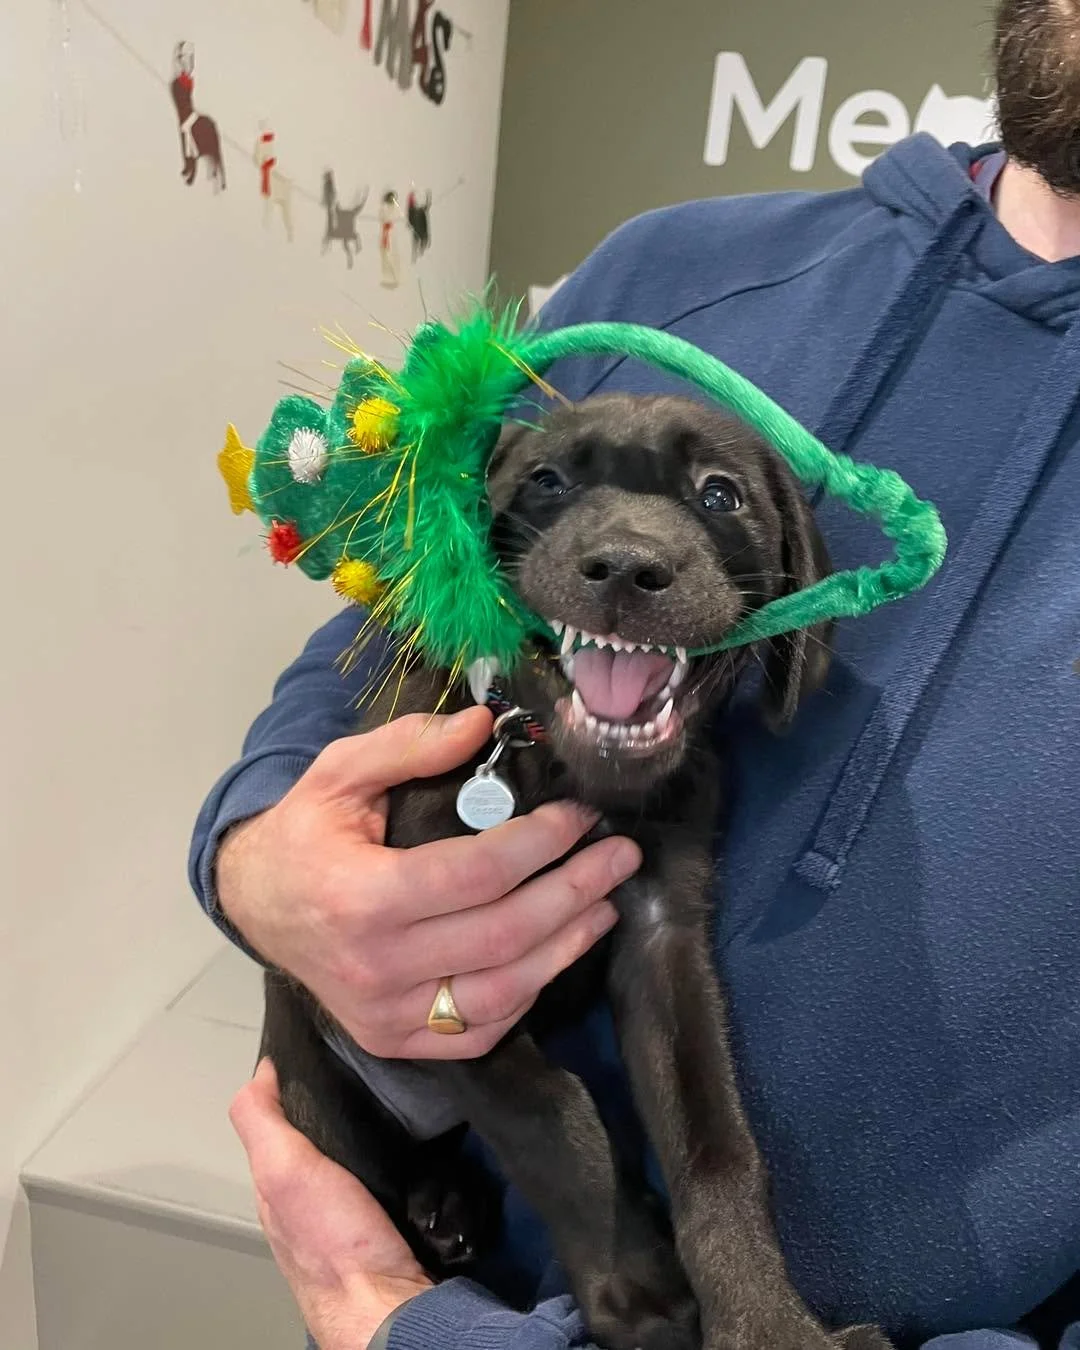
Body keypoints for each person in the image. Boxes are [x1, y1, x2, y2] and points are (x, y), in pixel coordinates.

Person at [195, 3, 1080, 1346]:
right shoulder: (671, 269)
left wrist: (407, 1327)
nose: (625, 551)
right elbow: (388, 632)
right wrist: (260, 849)